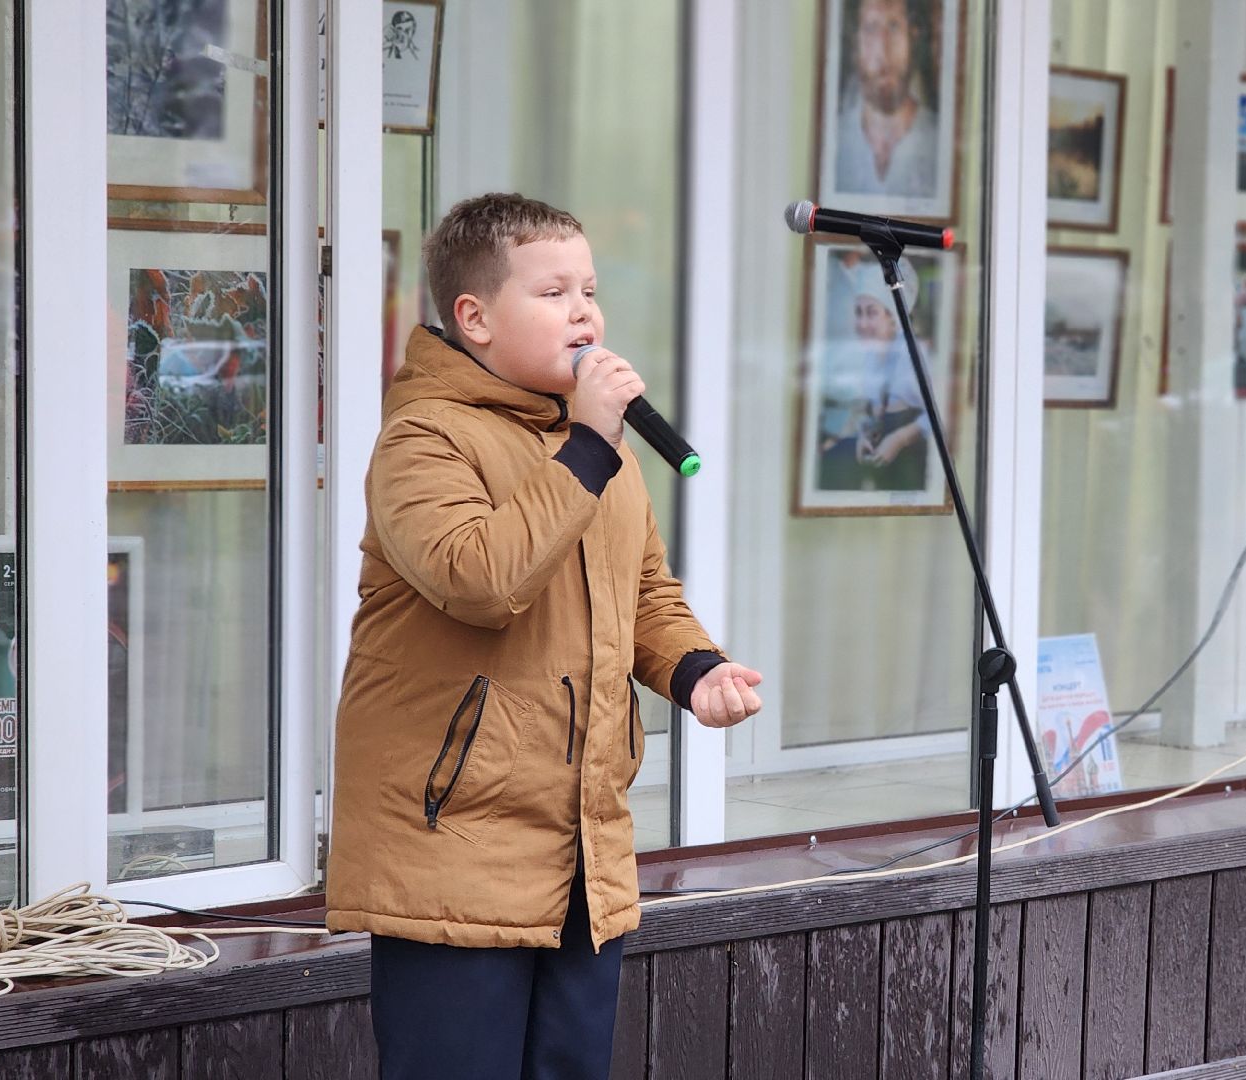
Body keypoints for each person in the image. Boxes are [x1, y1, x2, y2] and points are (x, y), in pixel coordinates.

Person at [325, 193, 763, 1080]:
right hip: (454, 850)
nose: (584, 314)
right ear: (475, 318)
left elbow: (643, 593)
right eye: (554, 292)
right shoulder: (423, 439)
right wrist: (589, 448)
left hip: (583, 850)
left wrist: (695, 669)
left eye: (590, 290)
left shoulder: (596, 448)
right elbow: (481, 579)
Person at [817, 258, 931, 492]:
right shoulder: (871, 355)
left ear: (893, 318)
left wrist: (899, 439)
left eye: (871, 313)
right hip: (880, 460)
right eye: (858, 313)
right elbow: (870, 408)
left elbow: (939, 416)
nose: (862, 323)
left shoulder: (914, 357)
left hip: (912, 464)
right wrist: (863, 435)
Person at [835, 0, 940, 198]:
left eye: (894, 26)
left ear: (913, 36)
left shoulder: (939, 144)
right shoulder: (833, 142)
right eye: (871, 28)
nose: (883, 49)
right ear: (856, 43)